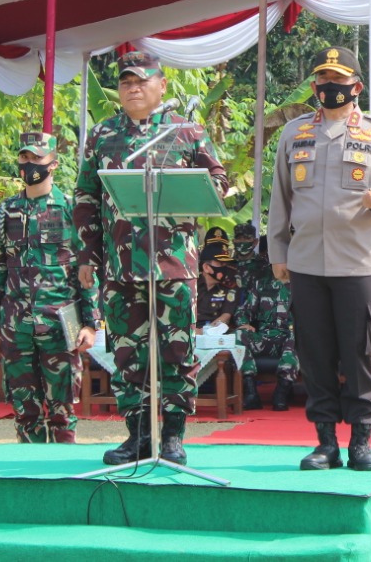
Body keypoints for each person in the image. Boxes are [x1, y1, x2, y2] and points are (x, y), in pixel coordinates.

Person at [75, 50, 227, 467]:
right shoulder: (103, 135)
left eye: (142, 81)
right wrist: (87, 255)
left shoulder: (186, 132)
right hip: (121, 268)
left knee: (178, 349)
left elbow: (219, 179)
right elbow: (86, 197)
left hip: (174, 263)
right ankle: (138, 435)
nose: (133, 88)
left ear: (162, 86)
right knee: (128, 351)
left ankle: (174, 435)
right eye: (126, 82)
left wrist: (188, 185)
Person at [269, 46, 371, 472]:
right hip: (307, 261)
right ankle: (325, 441)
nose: (331, 89)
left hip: (359, 263)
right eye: (324, 81)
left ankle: (362, 441)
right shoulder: (294, 133)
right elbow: (281, 199)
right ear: (314, 86)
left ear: (356, 87)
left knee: (360, 355)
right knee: (315, 355)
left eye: (339, 82)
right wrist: (278, 251)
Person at [0, 132, 97, 443]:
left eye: (37, 158)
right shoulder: (4, 212)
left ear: (53, 163)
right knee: (24, 411)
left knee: (63, 410)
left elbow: (87, 271)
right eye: (24, 157)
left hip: (61, 322)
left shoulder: (72, 210)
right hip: (15, 324)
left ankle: (63, 474)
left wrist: (91, 324)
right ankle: (30, 475)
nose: (29, 164)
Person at [236, 235, 299, 411]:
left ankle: (281, 392)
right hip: (266, 338)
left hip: (290, 338)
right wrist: (243, 323)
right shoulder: (261, 284)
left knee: (294, 337)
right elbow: (243, 310)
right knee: (239, 335)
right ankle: (250, 391)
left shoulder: (302, 285)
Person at [196, 249, 240, 330]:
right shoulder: (191, 285)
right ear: (206, 267)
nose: (225, 267)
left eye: (226, 263)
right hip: (189, 330)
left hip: (215, 332)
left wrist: (206, 331)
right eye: (220, 263)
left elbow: (226, 316)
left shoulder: (230, 287)